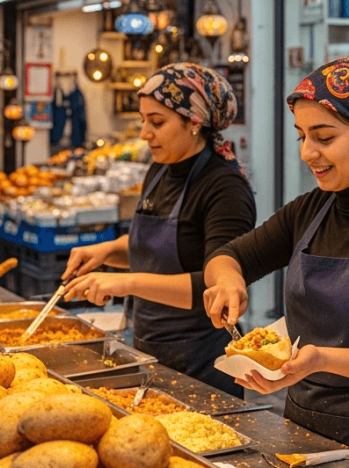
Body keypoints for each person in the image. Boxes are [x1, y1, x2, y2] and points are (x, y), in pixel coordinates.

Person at [62, 63, 255, 396]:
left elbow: (217, 285)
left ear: (194, 122)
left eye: (157, 122)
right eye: (143, 120)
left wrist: (127, 283)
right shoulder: (160, 170)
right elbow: (159, 248)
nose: (144, 134)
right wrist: (108, 250)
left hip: (203, 361)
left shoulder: (225, 187)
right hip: (149, 346)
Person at [205, 58, 349, 441]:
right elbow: (228, 257)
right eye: (302, 136)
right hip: (304, 429)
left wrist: (321, 359)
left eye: (324, 137)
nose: (307, 153)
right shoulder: (310, 210)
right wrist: (228, 284)